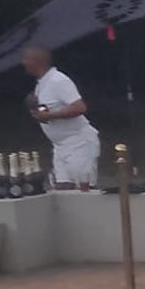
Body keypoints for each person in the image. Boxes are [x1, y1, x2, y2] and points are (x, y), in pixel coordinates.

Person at [22, 45, 100, 188]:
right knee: (62, 189)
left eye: (27, 59)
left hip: (78, 143)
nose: (23, 62)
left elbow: (79, 107)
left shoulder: (58, 81)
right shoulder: (41, 84)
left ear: (38, 61)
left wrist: (49, 115)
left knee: (82, 191)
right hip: (60, 146)